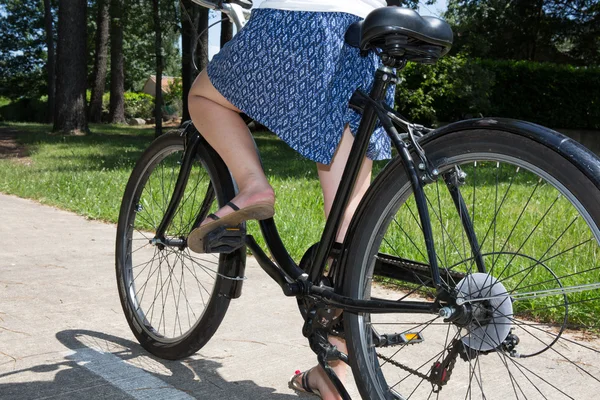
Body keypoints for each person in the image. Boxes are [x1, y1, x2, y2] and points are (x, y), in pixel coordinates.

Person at [187, 1, 393, 398]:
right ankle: (338, 370)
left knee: (204, 97)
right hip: (370, 29)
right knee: (348, 223)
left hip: (301, 18)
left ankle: (252, 184)